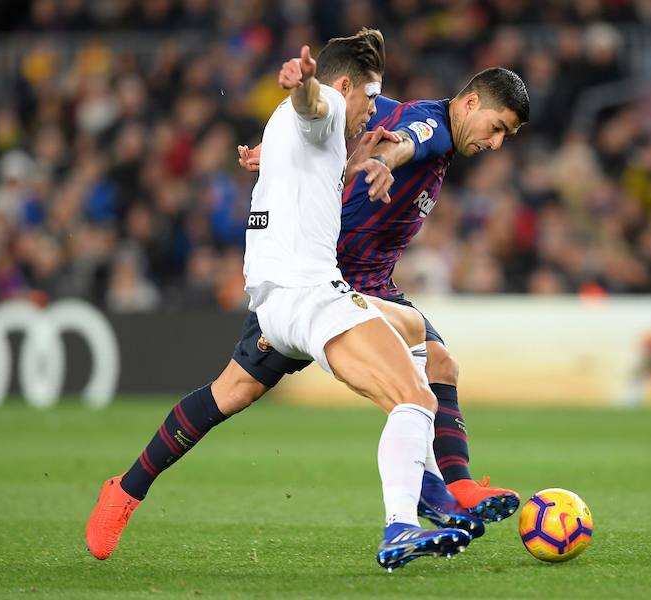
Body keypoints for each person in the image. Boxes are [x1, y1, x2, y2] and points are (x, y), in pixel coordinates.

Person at [86, 29, 474, 571]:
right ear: (345, 87)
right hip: (308, 297)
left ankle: (124, 490)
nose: (373, 112)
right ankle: (402, 523)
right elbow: (317, 107)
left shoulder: (302, 133)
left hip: (279, 302)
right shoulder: (330, 107)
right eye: (370, 99)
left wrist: (333, 149)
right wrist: (306, 86)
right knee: (416, 400)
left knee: (406, 332)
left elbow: (312, 138)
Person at [236, 66, 530, 520]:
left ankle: (456, 489)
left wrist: (278, 151)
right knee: (235, 391)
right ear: (472, 103)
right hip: (326, 281)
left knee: (439, 365)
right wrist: (382, 162)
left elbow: (359, 119)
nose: (496, 144)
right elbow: (409, 140)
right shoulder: (433, 129)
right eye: (498, 128)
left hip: (372, 281)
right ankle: (127, 489)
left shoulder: (409, 118)